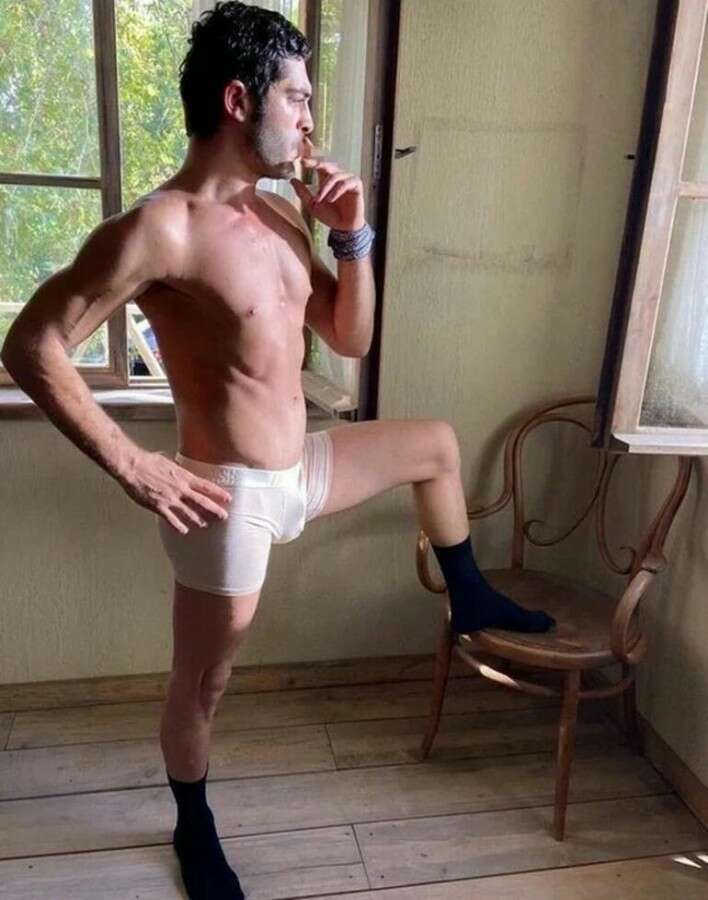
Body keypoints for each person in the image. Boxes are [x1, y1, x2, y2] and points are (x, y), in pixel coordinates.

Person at [0, 3, 555, 897]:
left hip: (300, 472)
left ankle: (470, 599)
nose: (308, 119)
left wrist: (351, 234)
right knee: (204, 684)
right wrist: (134, 463)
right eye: (296, 97)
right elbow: (31, 345)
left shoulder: (281, 215)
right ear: (238, 100)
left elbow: (350, 338)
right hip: (227, 501)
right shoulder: (161, 228)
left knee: (436, 446)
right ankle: (194, 826)